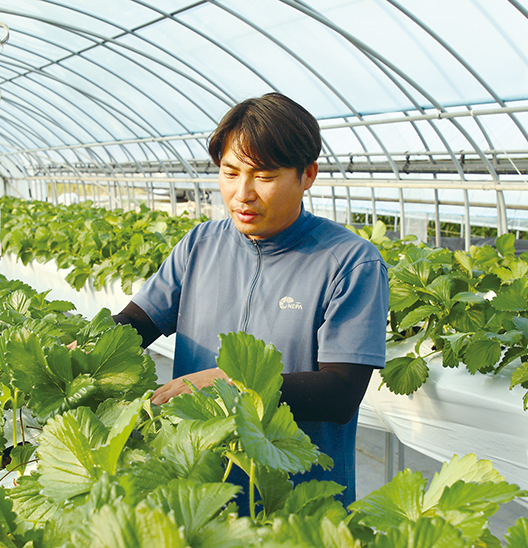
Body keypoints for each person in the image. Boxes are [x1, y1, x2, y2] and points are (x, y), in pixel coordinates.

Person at [113, 92, 389, 511]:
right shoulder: (200, 245)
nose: (242, 193)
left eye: (263, 176)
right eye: (229, 172)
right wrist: (87, 343)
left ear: (307, 175)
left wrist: (233, 385)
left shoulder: (349, 263)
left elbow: (341, 392)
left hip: (295, 501)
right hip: (198, 490)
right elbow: (138, 322)